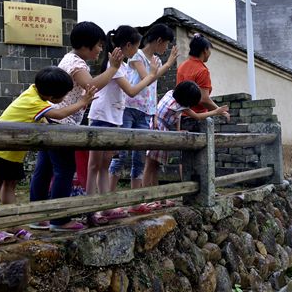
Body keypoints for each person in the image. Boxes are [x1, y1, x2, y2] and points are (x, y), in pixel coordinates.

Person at [0, 66, 96, 244]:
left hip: (14, 154)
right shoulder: (34, 102)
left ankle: (13, 225)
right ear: (52, 97)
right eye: (64, 95)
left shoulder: (34, 92)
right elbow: (58, 114)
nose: (64, 99)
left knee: (9, 188)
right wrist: (82, 102)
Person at [28, 21, 124, 232]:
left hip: (51, 120)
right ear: (86, 45)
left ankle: (37, 215)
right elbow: (91, 86)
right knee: (64, 170)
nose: (100, 50)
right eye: (98, 45)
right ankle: (60, 219)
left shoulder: (70, 59)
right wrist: (113, 68)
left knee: (44, 169)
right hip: (62, 122)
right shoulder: (77, 64)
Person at [86, 26, 160, 222]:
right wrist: (151, 75)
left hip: (113, 118)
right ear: (128, 45)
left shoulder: (122, 66)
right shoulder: (115, 65)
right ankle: (89, 210)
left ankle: (106, 207)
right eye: (136, 47)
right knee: (94, 165)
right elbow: (132, 91)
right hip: (102, 117)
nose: (137, 50)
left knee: (104, 165)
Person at [108, 23, 178, 190]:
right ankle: (109, 196)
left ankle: (137, 199)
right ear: (159, 41)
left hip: (146, 111)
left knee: (139, 157)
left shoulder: (156, 60)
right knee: (121, 153)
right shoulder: (136, 55)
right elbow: (148, 78)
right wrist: (168, 64)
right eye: (166, 43)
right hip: (129, 108)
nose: (166, 48)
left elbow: (153, 88)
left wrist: (154, 113)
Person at [141, 80, 229, 188]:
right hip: (158, 130)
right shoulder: (179, 106)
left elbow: (177, 116)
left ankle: (154, 194)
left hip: (155, 126)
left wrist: (178, 131)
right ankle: (146, 194)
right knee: (150, 165)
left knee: (154, 165)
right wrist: (216, 111)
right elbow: (197, 116)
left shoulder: (170, 94)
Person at [175, 33, 230, 125]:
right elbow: (204, 99)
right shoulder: (202, 70)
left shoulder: (182, 66)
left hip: (180, 116)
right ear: (205, 50)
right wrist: (221, 111)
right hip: (197, 118)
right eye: (209, 50)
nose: (210, 53)